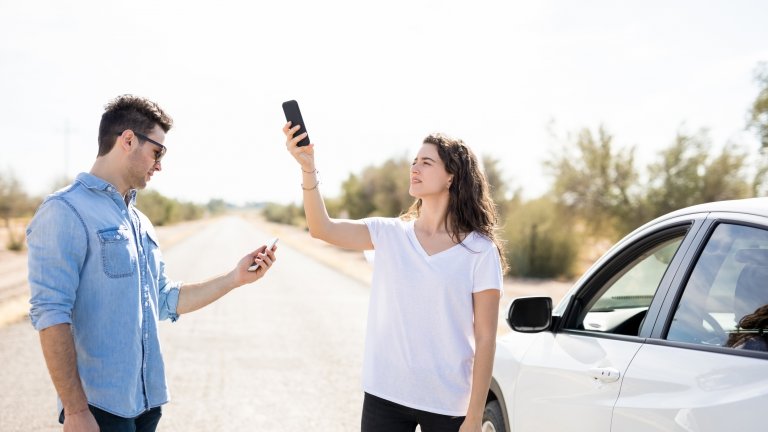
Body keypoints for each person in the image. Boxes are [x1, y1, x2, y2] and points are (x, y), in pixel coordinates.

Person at [27, 95, 278, 432]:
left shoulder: (140, 220)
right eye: (157, 152)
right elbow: (51, 314)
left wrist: (235, 278)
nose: (159, 164)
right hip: (99, 410)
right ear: (127, 140)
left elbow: (164, 299)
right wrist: (74, 410)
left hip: (146, 405)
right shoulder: (65, 210)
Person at [284, 123, 507, 432]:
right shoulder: (389, 234)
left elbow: (485, 339)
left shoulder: (480, 251)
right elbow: (322, 228)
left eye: (426, 162)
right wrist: (308, 169)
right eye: (414, 162)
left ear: (451, 176)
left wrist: (473, 417)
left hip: (448, 401)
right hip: (385, 393)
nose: (415, 168)